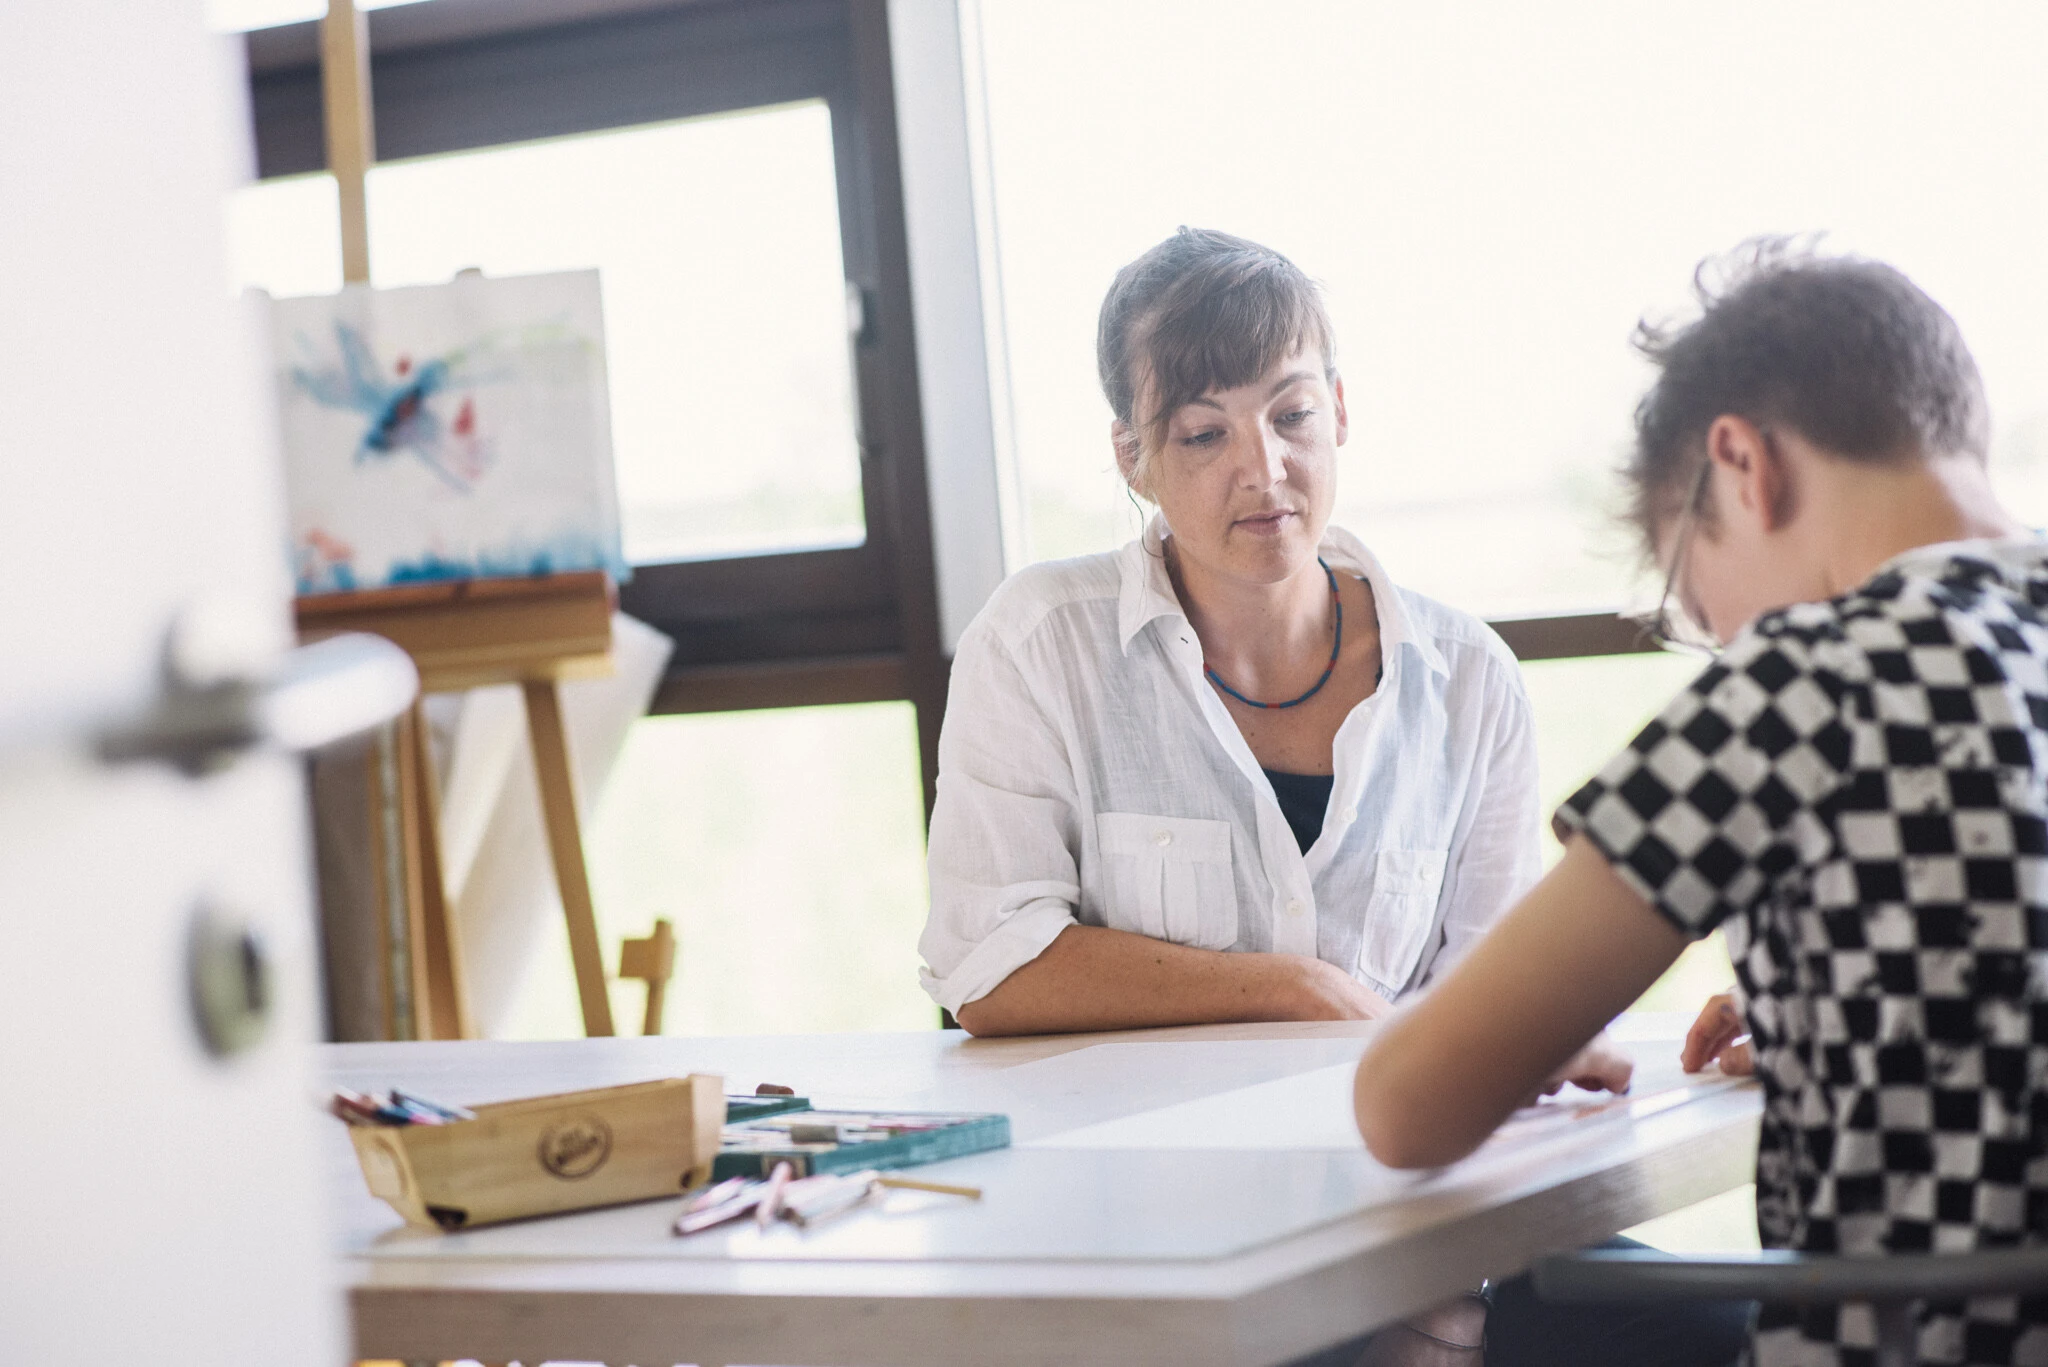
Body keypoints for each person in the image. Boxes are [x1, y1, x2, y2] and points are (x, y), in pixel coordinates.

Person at [1355, 240, 2048, 1366]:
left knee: (1525, 1312)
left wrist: (1509, 1034)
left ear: (1741, 465)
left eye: (1689, 589)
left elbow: (1404, 1104)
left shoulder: (1803, 678)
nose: (1717, 635)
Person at [918, 227, 1542, 1042]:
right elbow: (989, 969)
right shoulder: (1036, 644)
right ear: (1132, 457)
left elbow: (1502, 997)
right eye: (1205, 433)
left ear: (1341, 410)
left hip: (1395, 1154)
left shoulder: (1469, 679)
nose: (1265, 467)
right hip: (1139, 1164)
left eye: (1293, 415)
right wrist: (1291, 989)